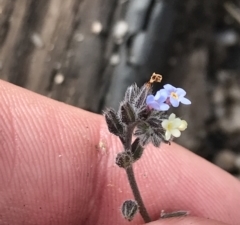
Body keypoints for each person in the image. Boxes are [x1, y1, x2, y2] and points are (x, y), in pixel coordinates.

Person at [0, 80, 239, 225]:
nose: (171, 97)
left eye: (172, 97)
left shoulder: (149, 113)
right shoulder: (138, 118)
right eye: (171, 96)